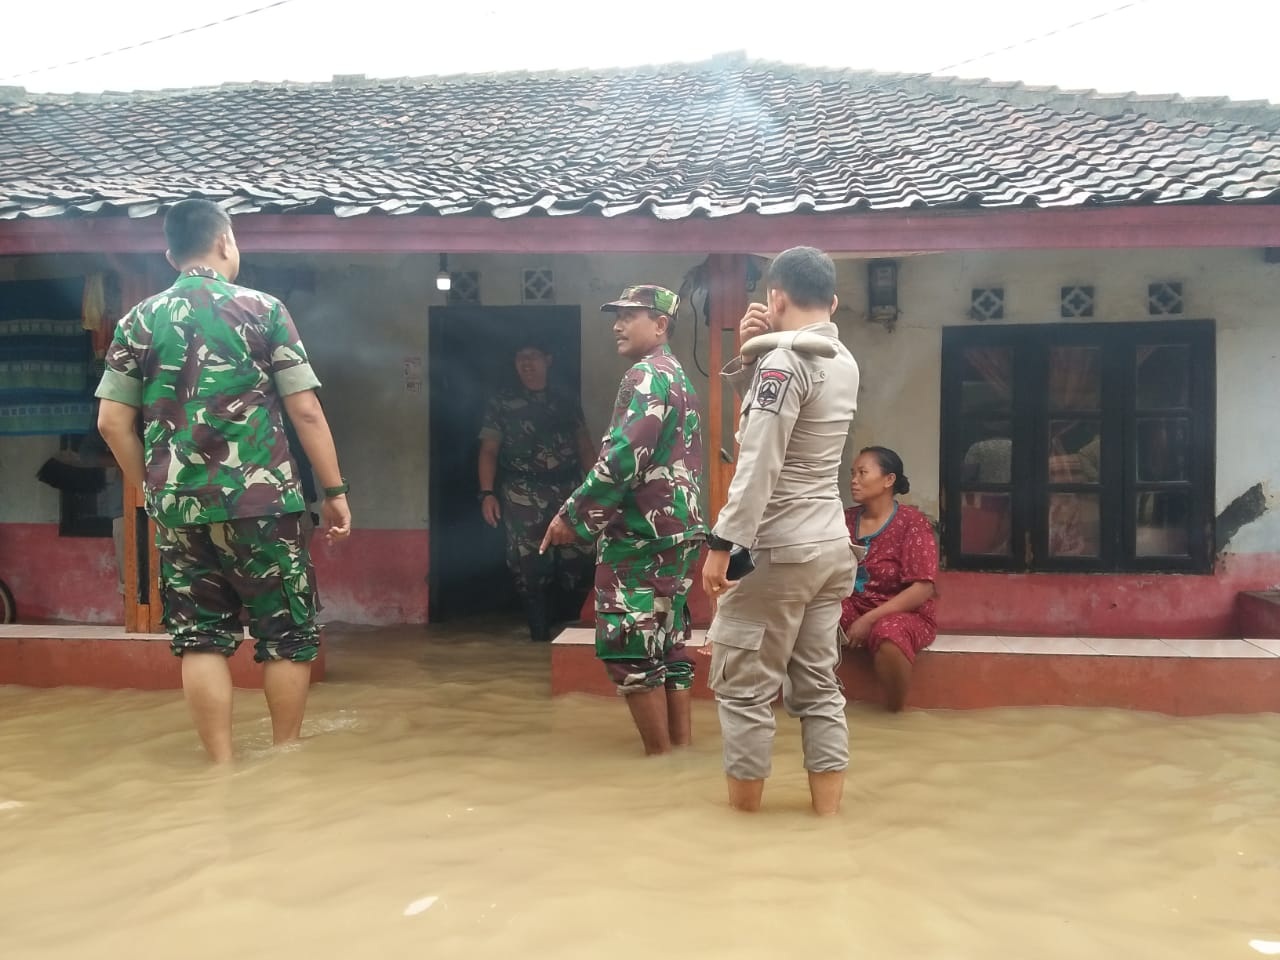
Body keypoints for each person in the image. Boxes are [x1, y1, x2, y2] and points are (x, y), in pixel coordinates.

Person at [94, 198, 352, 764]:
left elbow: (111, 422)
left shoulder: (138, 320)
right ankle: (284, 758)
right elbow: (306, 411)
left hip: (180, 510)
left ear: (169, 255)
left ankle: (222, 767)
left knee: (200, 639)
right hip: (263, 505)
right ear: (227, 241)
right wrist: (334, 493)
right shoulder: (263, 309)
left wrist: (155, 491)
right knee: (286, 636)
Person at [701, 246, 860, 816]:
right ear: (834, 302)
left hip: (776, 548)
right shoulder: (842, 360)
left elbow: (759, 463)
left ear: (775, 297)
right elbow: (789, 434)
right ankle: (828, 820)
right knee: (819, 689)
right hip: (829, 547)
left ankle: (743, 832)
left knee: (743, 691)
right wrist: (758, 352)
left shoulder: (783, 362)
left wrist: (723, 544)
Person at [540, 285, 705, 756]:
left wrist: (572, 515)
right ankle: (680, 755)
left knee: (629, 646)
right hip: (678, 532)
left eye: (631, 315)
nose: (617, 324)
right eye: (617, 315)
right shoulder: (679, 378)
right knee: (668, 644)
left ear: (660, 325)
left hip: (640, 535)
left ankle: (659, 760)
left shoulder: (646, 375)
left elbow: (623, 458)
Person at [478, 341, 596, 641]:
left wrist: (596, 491)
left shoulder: (565, 399)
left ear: (549, 359)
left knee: (579, 561)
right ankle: (539, 637)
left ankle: (568, 630)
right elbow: (489, 449)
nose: (526, 364)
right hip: (521, 492)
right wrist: (487, 493)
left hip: (569, 489)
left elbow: (584, 445)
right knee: (528, 567)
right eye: (520, 358)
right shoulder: (502, 401)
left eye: (532, 357)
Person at [841, 447, 939, 713]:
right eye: (853, 473)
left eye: (862, 473)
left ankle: (894, 712)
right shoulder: (844, 520)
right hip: (854, 605)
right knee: (812, 616)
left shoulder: (912, 522)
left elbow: (923, 587)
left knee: (888, 633)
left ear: (888, 480)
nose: (854, 480)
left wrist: (868, 620)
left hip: (905, 612)